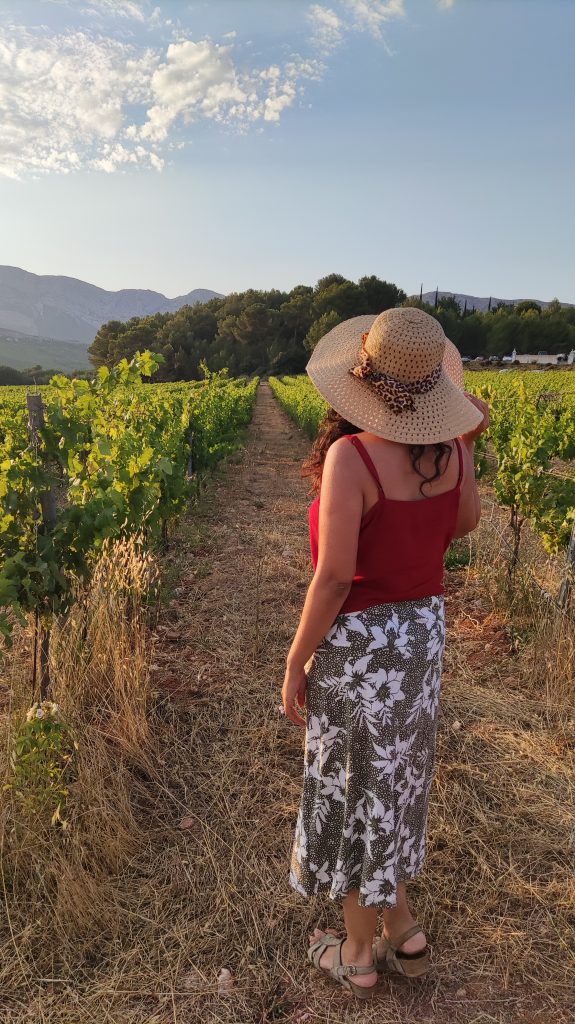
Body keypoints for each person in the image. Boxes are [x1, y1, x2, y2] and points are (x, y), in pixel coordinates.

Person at [281, 306, 489, 999]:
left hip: (362, 647)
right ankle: (402, 924)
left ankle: (359, 954)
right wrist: (464, 439)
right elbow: (460, 525)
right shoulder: (451, 451)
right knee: (394, 779)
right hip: (421, 639)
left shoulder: (352, 457)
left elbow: (335, 577)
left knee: (352, 789)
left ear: (361, 380)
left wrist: (295, 659)